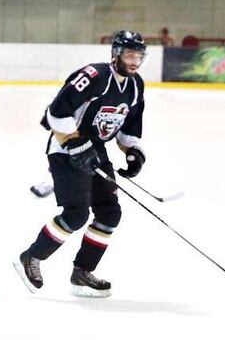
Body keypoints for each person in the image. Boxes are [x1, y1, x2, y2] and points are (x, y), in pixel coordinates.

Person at [14, 30, 148, 298]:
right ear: (116, 54)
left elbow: (127, 125)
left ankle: (81, 272)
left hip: (95, 150)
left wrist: (133, 150)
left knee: (110, 213)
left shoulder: (135, 86)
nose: (134, 61)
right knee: (76, 214)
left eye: (139, 56)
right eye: (129, 55)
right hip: (65, 150)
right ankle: (31, 256)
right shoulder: (94, 76)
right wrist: (74, 143)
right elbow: (56, 111)